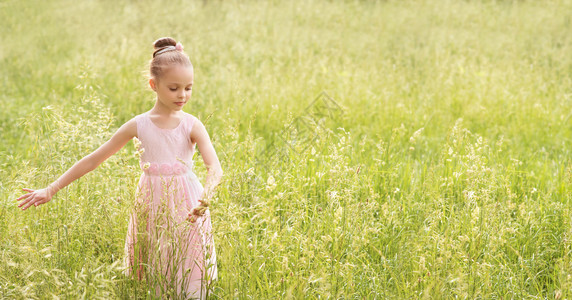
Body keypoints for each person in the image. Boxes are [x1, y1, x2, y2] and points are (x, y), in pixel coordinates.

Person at [16, 37, 222, 299]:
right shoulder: (138, 125)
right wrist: (51, 188)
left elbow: (214, 167)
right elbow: (94, 159)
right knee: (156, 270)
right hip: (151, 203)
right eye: (174, 88)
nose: (183, 95)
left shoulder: (192, 124)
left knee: (189, 270)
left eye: (189, 88)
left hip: (189, 206)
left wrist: (206, 199)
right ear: (153, 85)